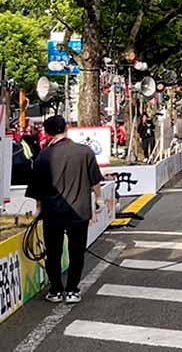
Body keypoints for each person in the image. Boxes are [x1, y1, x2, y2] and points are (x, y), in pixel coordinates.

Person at [25, 115, 104, 304]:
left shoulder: (43, 156)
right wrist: (99, 199)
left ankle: (56, 290)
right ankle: (72, 290)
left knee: (53, 252)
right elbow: (95, 181)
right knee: (77, 251)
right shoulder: (85, 152)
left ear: (47, 132)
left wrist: (38, 209)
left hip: (52, 212)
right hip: (79, 211)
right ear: (66, 128)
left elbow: (38, 188)